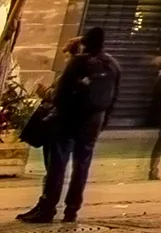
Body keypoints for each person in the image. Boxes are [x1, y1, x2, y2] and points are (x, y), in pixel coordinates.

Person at [21, 27, 118, 223]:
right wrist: (101, 123)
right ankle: (72, 210)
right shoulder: (113, 64)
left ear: (86, 42)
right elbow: (113, 99)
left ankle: (47, 208)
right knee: (82, 166)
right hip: (93, 122)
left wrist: (47, 96)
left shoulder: (78, 62)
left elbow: (59, 95)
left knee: (57, 165)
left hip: (68, 120)